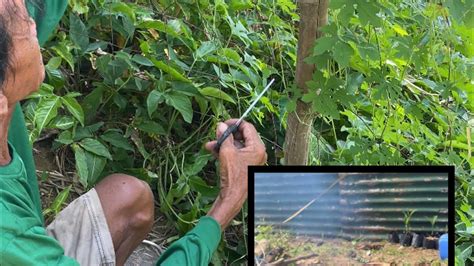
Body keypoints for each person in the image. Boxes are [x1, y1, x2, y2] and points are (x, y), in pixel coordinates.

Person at [0, 0, 267, 265]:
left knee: (128, 196)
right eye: (22, 22)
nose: (32, 20)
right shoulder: (9, 240)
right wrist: (228, 200)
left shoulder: (6, 81)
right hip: (23, 249)